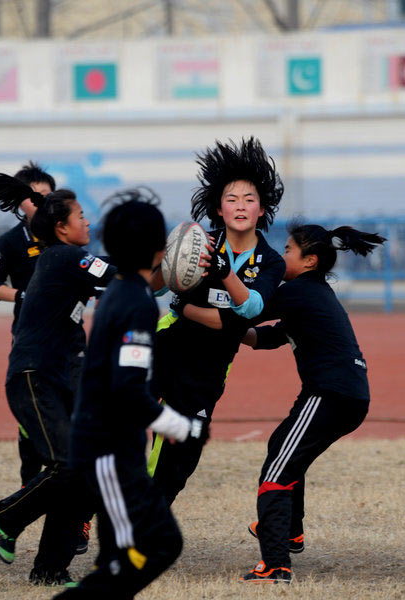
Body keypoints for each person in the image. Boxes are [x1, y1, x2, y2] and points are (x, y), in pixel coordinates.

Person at [52, 192, 206, 600]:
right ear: (160, 251)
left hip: (114, 450)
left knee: (124, 557)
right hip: (108, 452)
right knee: (155, 545)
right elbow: (128, 389)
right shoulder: (136, 303)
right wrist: (183, 426)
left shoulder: (120, 291)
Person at [239, 222, 386, 584]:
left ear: (309, 261)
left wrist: (196, 309)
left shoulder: (298, 291)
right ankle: (291, 533)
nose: (282, 254)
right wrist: (233, 331)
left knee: (276, 474)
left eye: (288, 249)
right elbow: (265, 336)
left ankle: (275, 566)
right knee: (283, 448)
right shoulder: (310, 292)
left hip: (329, 394)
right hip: (346, 394)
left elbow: (245, 311)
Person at [0, 173, 116, 585]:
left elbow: (124, 287)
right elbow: (117, 276)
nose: (88, 222)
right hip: (34, 375)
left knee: (80, 471)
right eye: (81, 215)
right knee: (67, 464)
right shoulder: (64, 257)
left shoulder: (65, 259)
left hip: (59, 376)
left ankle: (49, 569)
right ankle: (7, 516)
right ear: (61, 227)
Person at [148, 137, 286, 506]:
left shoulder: (271, 262)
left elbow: (249, 312)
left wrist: (217, 280)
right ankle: (91, 515)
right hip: (167, 347)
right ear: (219, 209)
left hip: (208, 372)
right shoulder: (200, 244)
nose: (240, 205)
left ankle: (141, 521)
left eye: (249, 199)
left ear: (262, 209)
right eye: (231, 199)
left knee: (180, 463)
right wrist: (166, 262)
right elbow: (157, 289)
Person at [0, 162, 56, 486]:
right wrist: (22, 295)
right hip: (29, 341)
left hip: (67, 342)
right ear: (20, 202)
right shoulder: (10, 242)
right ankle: (27, 491)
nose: (42, 203)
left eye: (48, 196)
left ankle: (72, 504)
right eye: (35, 196)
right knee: (31, 423)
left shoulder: (66, 236)